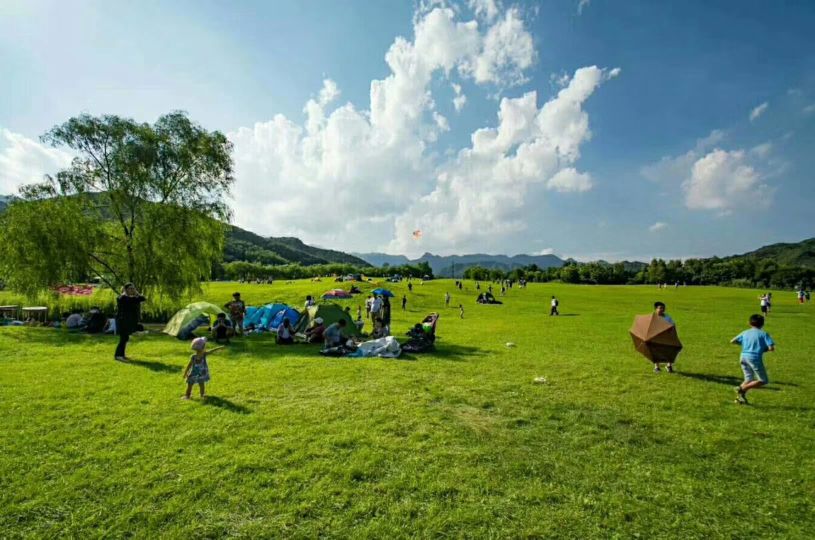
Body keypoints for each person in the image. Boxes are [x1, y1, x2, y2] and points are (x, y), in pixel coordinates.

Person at [731, 314, 776, 405]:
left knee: (748, 379)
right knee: (763, 380)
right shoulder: (764, 334)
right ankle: (741, 389)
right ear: (763, 324)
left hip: (743, 356)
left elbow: (733, 341)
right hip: (754, 358)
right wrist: (762, 349)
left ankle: (739, 399)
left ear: (749, 323)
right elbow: (771, 348)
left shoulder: (745, 332)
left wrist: (744, 345)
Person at [114, 283, 146, 362]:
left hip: (128, 322)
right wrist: (136, 294)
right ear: (125, 289)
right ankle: (118, 355)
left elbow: (142, 298)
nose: (132, 290)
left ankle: (121, 355)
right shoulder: (122, 298)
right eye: (130, 289)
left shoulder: (129, 298)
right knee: (123, 338)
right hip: (122, 322)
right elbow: (141, 298)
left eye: (133, 288)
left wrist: (135, 292)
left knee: (125, 338)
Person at [653, 301, 676, 373]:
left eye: (663, 308)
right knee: (656, 352)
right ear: (656, 309)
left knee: (670, 351)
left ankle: (669, 366)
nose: (662, 309)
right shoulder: (653, 318)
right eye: (660, 308)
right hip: (655, 337)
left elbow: (672, 325)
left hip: (666, 337)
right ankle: (656, 367)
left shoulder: (667, 317)